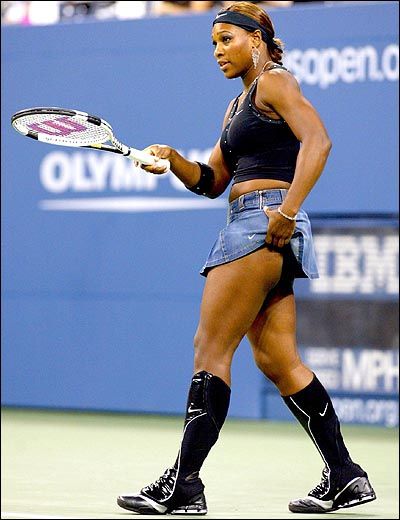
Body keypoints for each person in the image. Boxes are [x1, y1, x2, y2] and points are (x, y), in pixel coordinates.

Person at [117, 1, 376, 515]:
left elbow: (318, 142)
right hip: (255, 223)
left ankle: (184, 484)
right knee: (278, 360)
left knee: (209, 349)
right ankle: (345, 474)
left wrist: (289, 208)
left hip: (263, 224)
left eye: (227, 40)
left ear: (256, 39)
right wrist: (171, 160)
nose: (217, 51)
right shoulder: (236, 107)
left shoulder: (275, 82)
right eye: (212, 43)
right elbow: (211, 182)